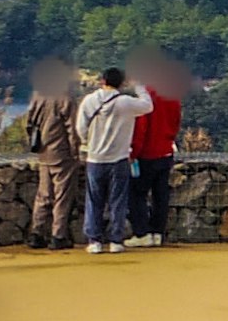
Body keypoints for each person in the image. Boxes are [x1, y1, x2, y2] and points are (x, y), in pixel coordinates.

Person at [72, 66, 149, 255]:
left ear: (102, 81)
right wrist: (139, 85)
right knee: (118, 201)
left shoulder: (89, 101)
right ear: (121, 83)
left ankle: (94, 240)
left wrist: (88, 143)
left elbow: (80, 127)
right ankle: (116, 240)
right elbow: (148, 106)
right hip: (119, 158)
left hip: (95, 158)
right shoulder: (126, 103)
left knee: (94, 200)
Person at [24, 75, 82, 250]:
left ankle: (37, 232)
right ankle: (58, 235)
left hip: (43, 152)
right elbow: (72, 129)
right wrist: (75, 152)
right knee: (62, 195)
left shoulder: (38, 95)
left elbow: (29, 123)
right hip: (61, 153)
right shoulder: (65, 99)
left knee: (44, 195)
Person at [129, 75, 183, 248]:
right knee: (161, 195)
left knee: (137, 194)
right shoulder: (172, 96)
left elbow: (141, 129)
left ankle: (142, 232)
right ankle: (157, 232)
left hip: (147, 154)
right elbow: (176, 123)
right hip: (166, 152)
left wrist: (134, 152)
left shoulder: (146, 97)